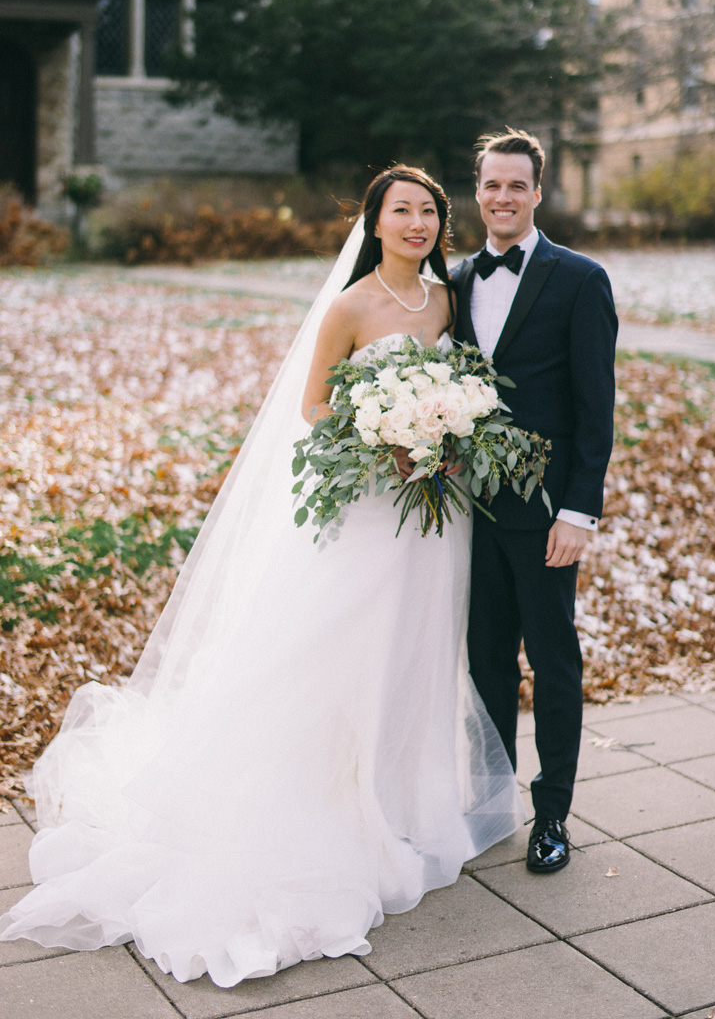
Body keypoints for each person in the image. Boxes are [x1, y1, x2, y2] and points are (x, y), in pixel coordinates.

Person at [0, 167, 523, 988]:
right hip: (371, 509)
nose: (416, 223)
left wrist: (445, 434)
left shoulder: (451, 302)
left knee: (419, 651)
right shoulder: (348, 308)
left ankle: (406, 802)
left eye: (428, 212)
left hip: (438, 514)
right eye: (401, 211)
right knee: (345, 648)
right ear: (374, 221)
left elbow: (473, 388)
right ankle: (332, 807)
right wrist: (383, 432)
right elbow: (314, 406)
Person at [453, 130, 617, 875]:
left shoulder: (580, 280)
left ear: (538, 192)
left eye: (517, 185)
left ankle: (552, 814)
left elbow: (595, 406)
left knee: (552, 664)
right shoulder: (454, 281)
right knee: (482, 657)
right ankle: (490, 805)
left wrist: (579, 512)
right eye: (492, 185)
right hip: (464, 513)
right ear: (477, 189)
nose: (502, 197)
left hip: (546, 512)